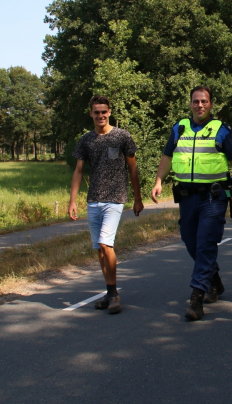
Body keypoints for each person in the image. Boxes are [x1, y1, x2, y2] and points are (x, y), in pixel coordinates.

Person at [151, 86, 232, 321]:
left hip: (214, 197)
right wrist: (158, 181)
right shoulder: (179, 128)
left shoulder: (222, 130)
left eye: (204, 101)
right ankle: (213, 279)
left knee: (205, 243)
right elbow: (167, 156)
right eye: (196, 101)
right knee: (190, 240)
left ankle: (197, 296)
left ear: (211, 104)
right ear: (190, 104)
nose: (200, 105)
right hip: (187, 197)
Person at [69, 95, 144, 315]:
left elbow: (133, 169)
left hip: (115, 198)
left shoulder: (122, 136)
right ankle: (110, 291)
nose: (100, 115)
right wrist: (72, 201)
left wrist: (137, 198)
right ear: (91, 114)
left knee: (105, 244)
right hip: (93, 200)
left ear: (109, 112)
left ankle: (113, 295)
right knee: (99, 250)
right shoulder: (86, 140)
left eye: (104, 112)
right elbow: (79, 171)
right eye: (97, 112)